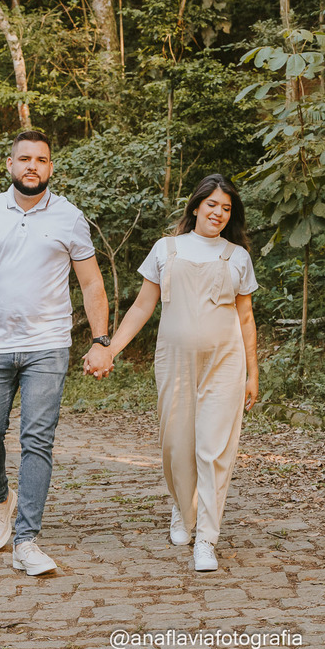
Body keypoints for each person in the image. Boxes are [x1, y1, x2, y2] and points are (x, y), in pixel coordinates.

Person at [0, 129, 113, 576]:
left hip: (48, 347)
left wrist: (101, 339)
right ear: (10, 165)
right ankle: (0, 500)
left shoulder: (70, 217)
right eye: (25, 158)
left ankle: (27, 540)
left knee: (38, 440)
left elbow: (91, 283)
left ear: (51, 168)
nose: (33, 165)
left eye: (42, 159)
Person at [107, 174, 259, 572]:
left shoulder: (237, 256)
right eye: (212, 205)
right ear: (196, 207)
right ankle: (182, 508)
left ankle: (206, 538)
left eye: (226, 208)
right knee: (176, 446)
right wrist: (111, 350)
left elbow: (245, 318)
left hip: (225, 363)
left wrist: (252, 373)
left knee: (214, 450)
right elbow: (142, 307)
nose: (219, 213)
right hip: (173, 362)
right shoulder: (166, 249)